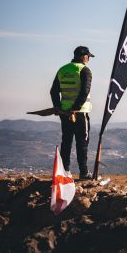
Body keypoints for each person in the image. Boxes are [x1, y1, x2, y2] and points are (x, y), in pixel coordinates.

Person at [50, 46, 95, 180]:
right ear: (84, 57)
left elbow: (53, 91)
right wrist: (75, 109)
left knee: (67, 141)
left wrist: (58, 107)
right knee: (82, 141)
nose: (89, 59)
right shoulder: (84, 70)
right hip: (79, 113)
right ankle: (84, 172)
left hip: (64, 112)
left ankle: (65, 171)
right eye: (88, 57)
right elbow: (84, 92)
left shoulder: (63, 69)